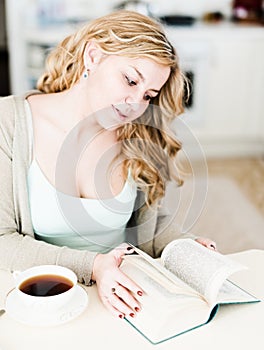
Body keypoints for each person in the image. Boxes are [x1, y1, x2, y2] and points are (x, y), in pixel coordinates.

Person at [0, 10, 216, 319]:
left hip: (125, 298)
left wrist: (187, 246)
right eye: (130, 80)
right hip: (49, 301)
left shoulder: (139, 137)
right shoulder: (9, 122)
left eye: (148, 94)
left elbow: (147, 230)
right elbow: (3, 243)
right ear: (93, 56)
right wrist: (94, 267)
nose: (136, 105)